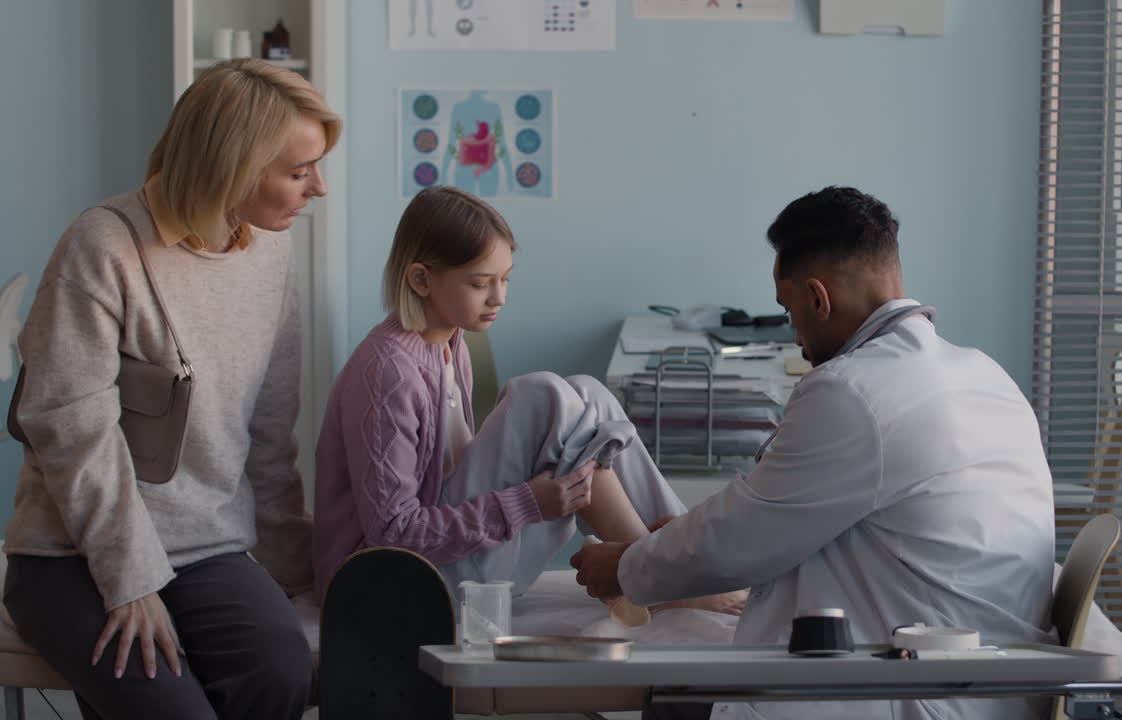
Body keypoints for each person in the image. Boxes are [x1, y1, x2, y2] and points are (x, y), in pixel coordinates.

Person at [572, 186, 1057, 720]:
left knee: (654, 699)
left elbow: (745, 538)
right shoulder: (982, 371)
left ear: (819, 298)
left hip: (915, 690)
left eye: (790, 311)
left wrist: (626, 567)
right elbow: (778, 519)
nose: (794, 335)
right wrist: (677, 548)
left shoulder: (855, 391)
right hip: (988, 678)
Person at [3, 59, 340, 720]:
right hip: (69, 554)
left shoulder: (271, 253)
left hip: (206, 549)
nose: (319, 188)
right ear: (234, 169)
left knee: (282, 671)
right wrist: (129, 583)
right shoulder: (103, 246)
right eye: (299, 172)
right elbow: (76, 434)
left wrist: (299, 581)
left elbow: (271, 435)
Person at [312, 186, 742, 618]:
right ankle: (659, 578)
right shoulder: (390, 372)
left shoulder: (449, 344)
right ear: (421, 279)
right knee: (543, 396)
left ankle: (685, 565)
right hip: (394, 587)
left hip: (445, 563)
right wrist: (526, 502)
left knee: (588, 392)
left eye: (505, 279)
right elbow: (394, 535)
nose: (499, 298)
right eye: (480, 283)